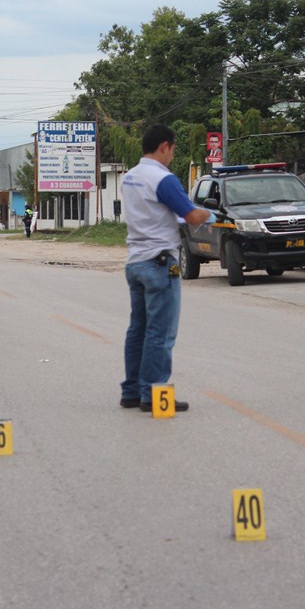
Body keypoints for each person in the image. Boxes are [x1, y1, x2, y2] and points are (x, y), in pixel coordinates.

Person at [120, 124, 211, 413]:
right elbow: (193, 216)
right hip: (160, 262)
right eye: (172, 149)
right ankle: (153, 393)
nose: (172, 155)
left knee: (138, 330)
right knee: (160, 332)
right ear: (164, 146)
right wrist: (210, 213)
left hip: (135, 260)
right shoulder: (163, 179)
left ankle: (132, 392)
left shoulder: (130, 176)